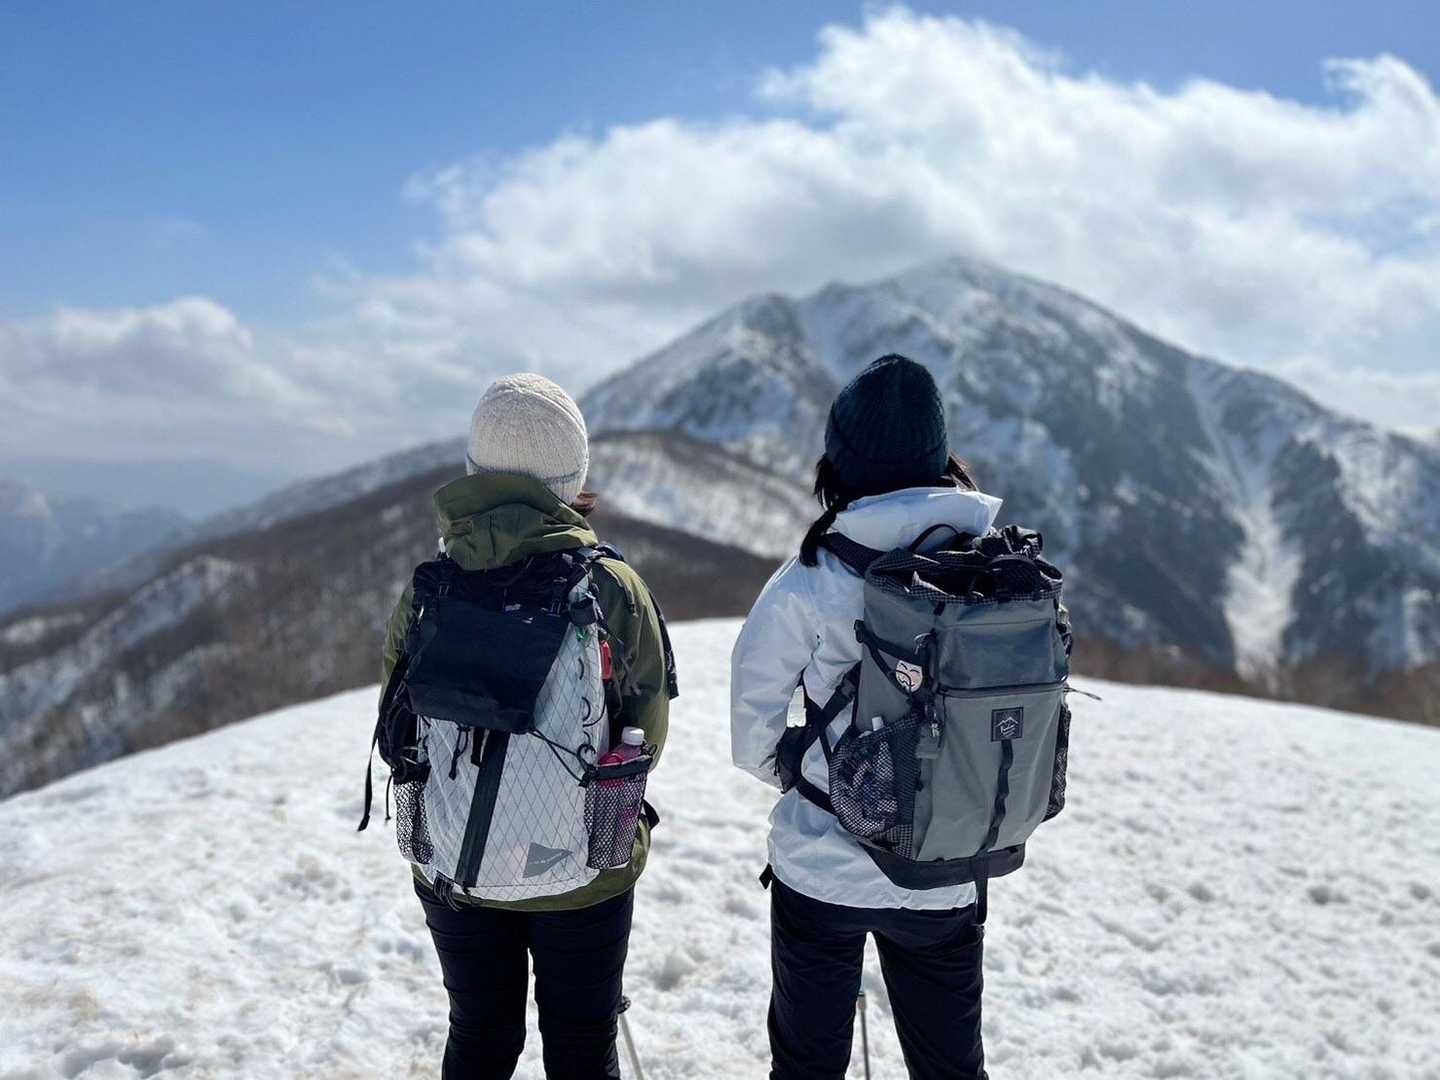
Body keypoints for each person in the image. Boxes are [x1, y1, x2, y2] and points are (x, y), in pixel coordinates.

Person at [379, 374, 672, 1080]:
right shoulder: (610, 587)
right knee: (581, 1049)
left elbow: (397, 727)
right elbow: (647, 733)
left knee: (479, 1040)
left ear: (475, 469)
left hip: (455, 862)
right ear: (572, 477)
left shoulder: (431, 587)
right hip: (585, 868)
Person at [730, 354, 1000, 1080]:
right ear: (940, 457)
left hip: (822, 865)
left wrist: (800, 776)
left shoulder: (815, 574)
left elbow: (752, 719)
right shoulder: (986, 566)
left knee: (807, 1066)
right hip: (945, 864)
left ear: (839, 462)